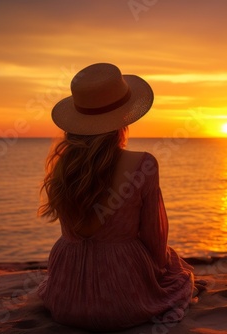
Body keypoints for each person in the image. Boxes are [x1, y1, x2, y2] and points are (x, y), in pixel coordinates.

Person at [37, 63, 196, 331]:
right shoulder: (143, 164)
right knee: (177, 270)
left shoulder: (65, 167)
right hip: (123, 298)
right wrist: (161, 270)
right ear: (123, 120)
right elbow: (154, 240)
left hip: (66, 298)